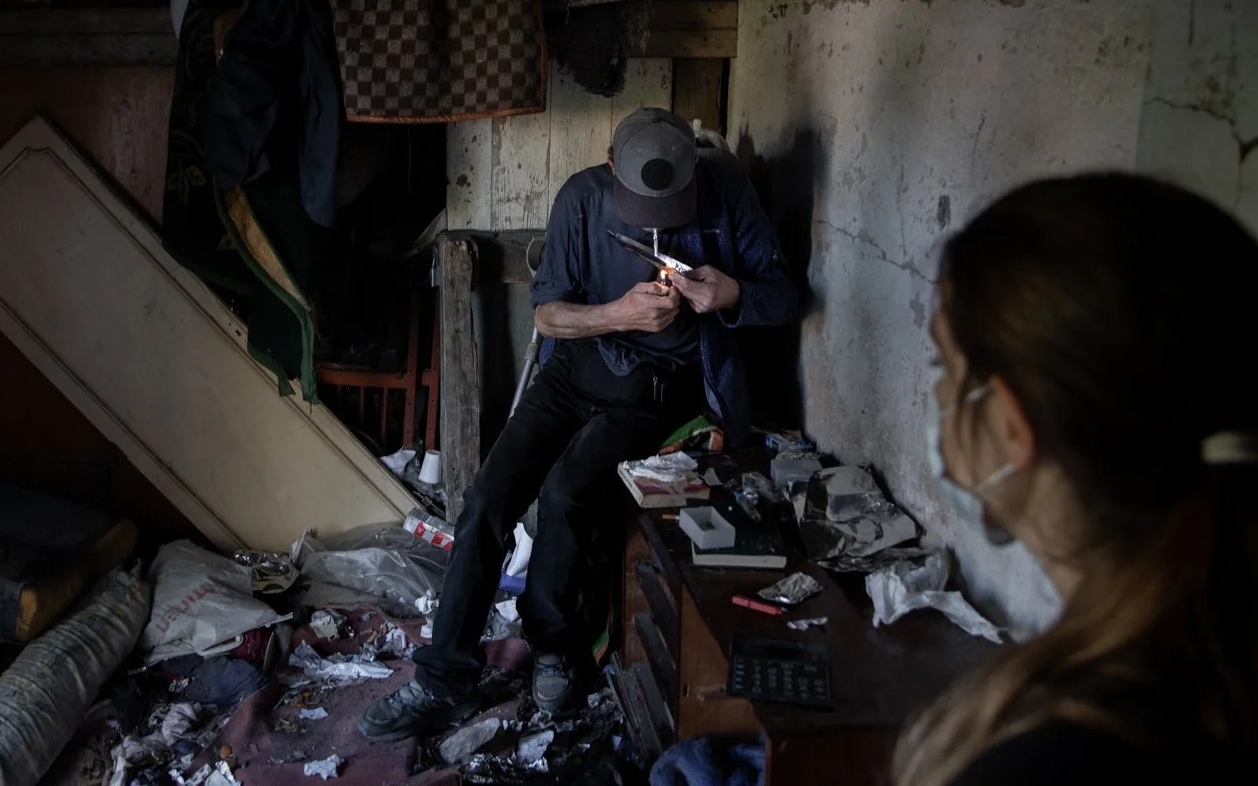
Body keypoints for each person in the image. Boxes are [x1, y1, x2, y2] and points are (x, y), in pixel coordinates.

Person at [360, 107, 798, 740]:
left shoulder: (727, 193)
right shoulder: (583, 198)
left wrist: (729, 294)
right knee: (487, 498)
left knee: (566, 494)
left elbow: (784, 296)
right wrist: (618, 314)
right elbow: (547, 317)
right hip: (574, 374)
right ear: (613, 166)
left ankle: (554, 648)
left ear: (694, 170)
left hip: (655, 391)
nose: (656, 221)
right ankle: (444, 676)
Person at [895, 174, 1257, 785]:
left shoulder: (1052, 762)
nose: (939, 397)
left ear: (1010, 424)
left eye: (945, 366)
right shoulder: (1213, 674)